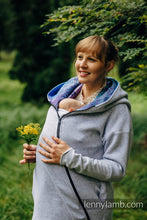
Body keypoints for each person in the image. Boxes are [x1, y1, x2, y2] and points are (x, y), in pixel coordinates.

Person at [20, 35, 133, 220]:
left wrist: (68, 157)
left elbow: (116, 169)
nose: (82, 64)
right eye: (80, 57)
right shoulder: (61, 98)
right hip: (46, 205)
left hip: (83, 210)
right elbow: (69, 145)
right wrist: (40, 153)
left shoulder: (116, 110)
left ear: (108, 65)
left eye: (92, 59)